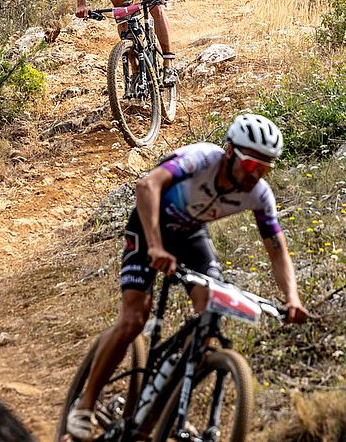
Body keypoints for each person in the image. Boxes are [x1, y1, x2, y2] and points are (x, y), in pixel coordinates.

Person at [65, 114, 309, 441]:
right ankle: (85, 403)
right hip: (149, 226)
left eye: (265, 170)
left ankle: (165, 410)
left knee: (209, 315)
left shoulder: (260, 195)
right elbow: (147, 185)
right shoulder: (200, 159)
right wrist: (153, 246)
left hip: (191, 236)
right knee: (134, 319)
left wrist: (292, 297)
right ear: (229, 152)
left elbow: (277, 249)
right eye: (252, 166)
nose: (257, 177)